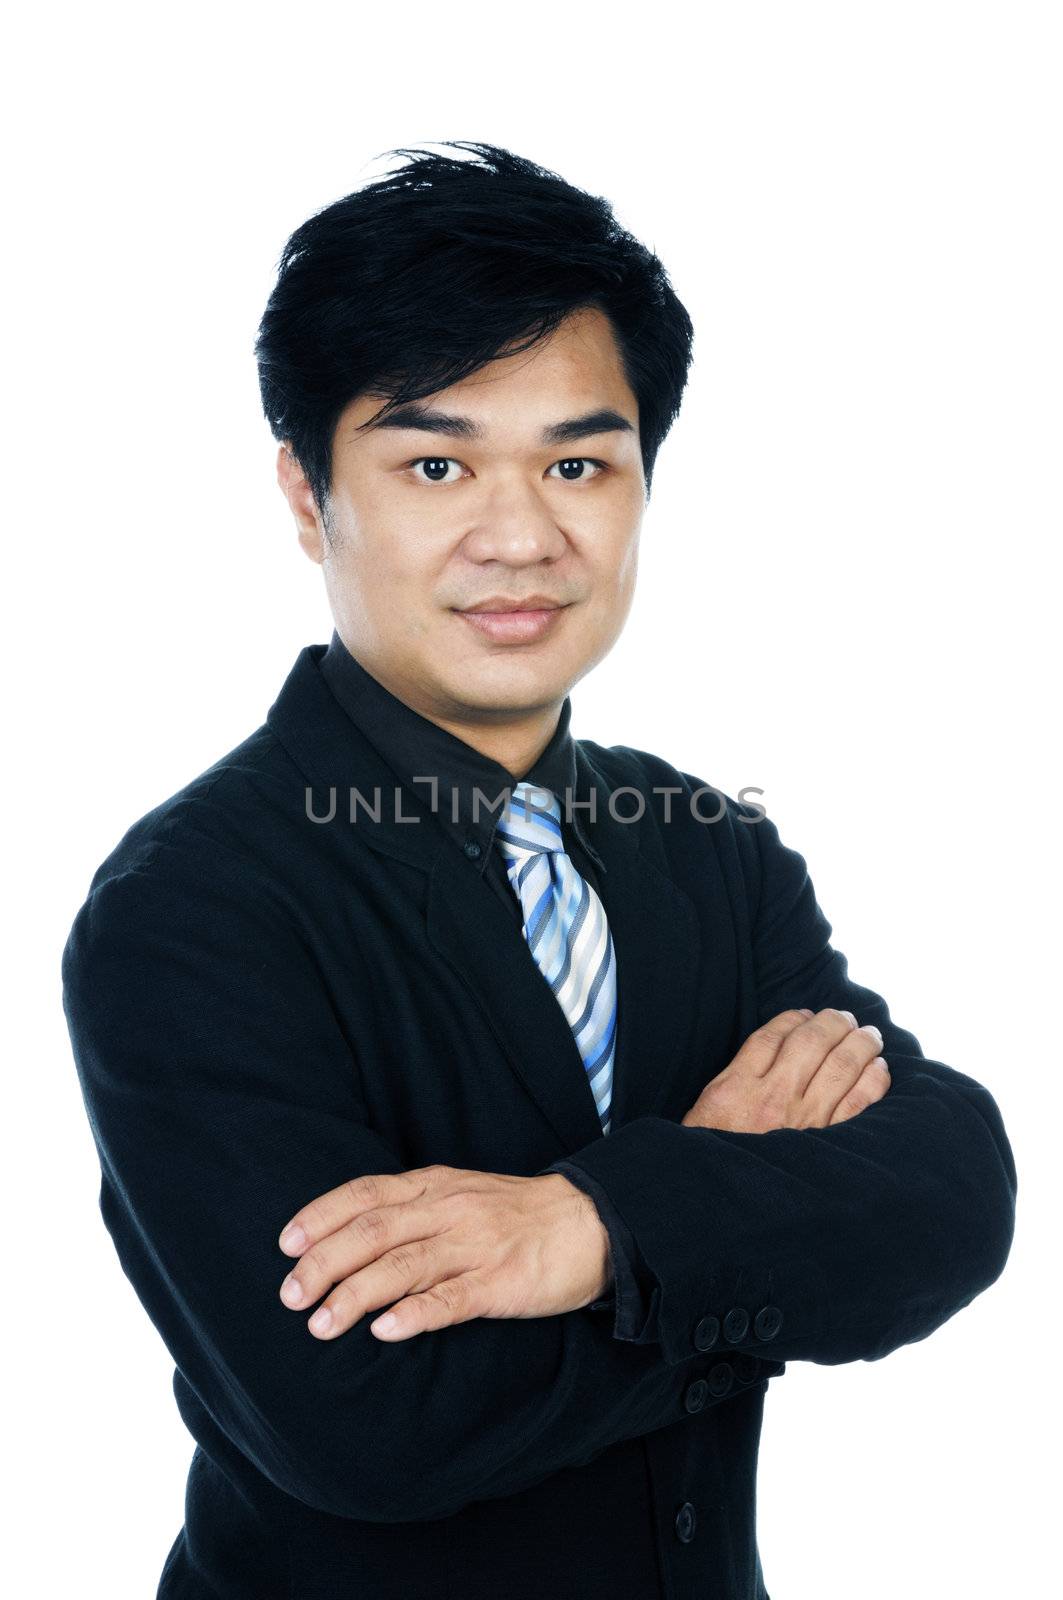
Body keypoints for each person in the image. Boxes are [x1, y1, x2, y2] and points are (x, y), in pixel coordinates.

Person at [61, 141, 1017, 1600]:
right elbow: (371, 1430)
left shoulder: (713, 851)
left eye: (579, 462)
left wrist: (591, 1228)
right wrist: (739, 1228)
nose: (521, 536)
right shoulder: (194, 909)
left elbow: (952, 1196)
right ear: (310, 498)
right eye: (436, 463)